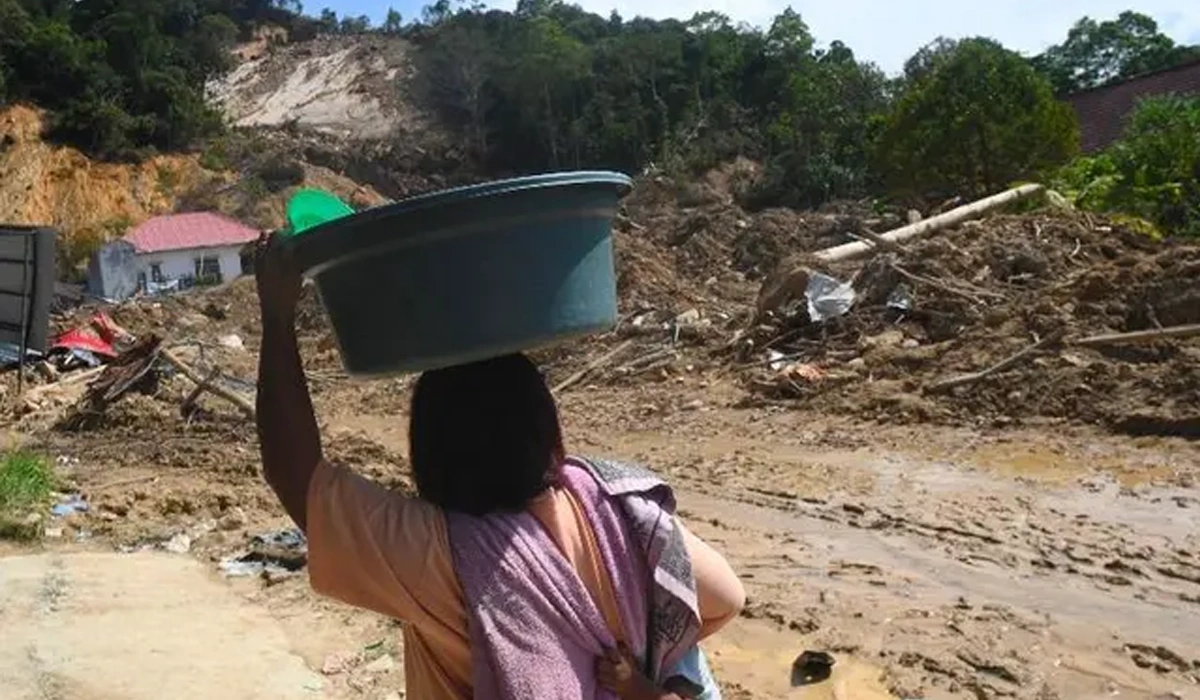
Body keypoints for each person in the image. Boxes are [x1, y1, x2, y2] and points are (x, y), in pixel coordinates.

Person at [254, 230, 745, 699]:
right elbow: (725, 598)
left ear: (427, 457)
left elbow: (296, 475)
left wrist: (277, 320)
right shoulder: (616, 509)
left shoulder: (434, 557)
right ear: (553, 437)